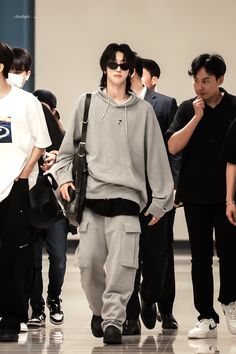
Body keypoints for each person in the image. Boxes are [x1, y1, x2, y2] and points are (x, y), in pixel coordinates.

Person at [55, 43, 174, 344]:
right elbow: (65, 155)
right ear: (104, 67)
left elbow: (157, 158)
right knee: (88, 264)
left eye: (123, 65)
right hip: (92, 200)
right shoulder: (86, 104)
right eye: (112, 64)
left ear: (131, 70)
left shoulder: (144, 112)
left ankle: (113, 321)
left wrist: (161, 202)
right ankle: (99, 311)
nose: (118, 70)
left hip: (128, 200)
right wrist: (63, 180)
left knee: (124, 268)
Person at [166, 53, 236, 339]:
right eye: (196, 80)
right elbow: (172, 146)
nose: (199, 87)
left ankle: (229, 301)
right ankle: (206, 316)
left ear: (220, 80)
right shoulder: (186, 109)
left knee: (231, 253)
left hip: (229, 195)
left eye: (206, 81)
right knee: (200, 257)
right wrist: (196, 118)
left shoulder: (234, 107)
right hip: (195, 194)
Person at [123, 56, 179, 335]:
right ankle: (130, 315)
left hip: (159, 192)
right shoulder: (119, 102)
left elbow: (173, 150)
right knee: (128, 254)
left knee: (160, 256)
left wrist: (171, 189)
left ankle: (156, 300)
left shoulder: (165, 104)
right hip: (128, 192)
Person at [0, 42, 51, 342]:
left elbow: (40, 142)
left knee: (15, 254)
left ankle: (12, 317)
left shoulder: (25, 101)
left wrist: (24, 173)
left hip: (15, 186)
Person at [27, 89, 69, 328]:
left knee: (59, 259)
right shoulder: (27, 130)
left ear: (53, 111)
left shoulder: (63, 136)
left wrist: (56, 157)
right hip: (31, 204)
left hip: (56, 208)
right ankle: (37, 309)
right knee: (33, 261)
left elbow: (73, 161)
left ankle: (54, 298)